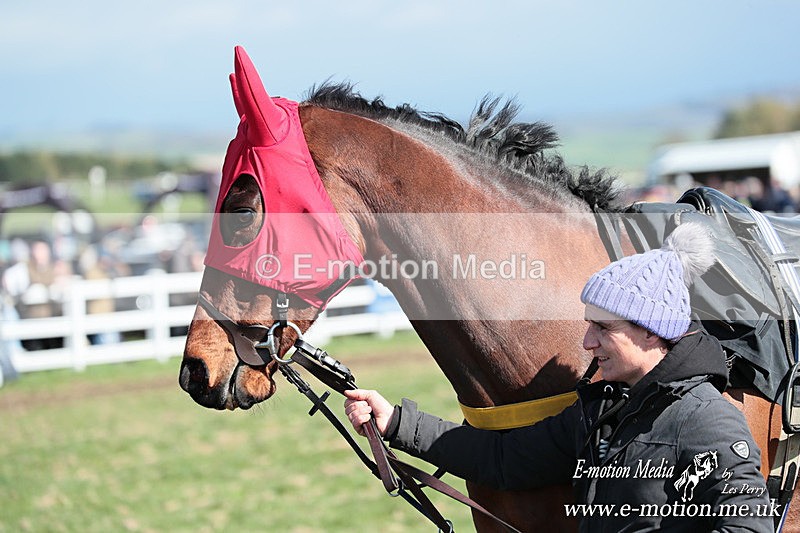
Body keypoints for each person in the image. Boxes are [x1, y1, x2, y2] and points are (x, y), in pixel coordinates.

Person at [344, 222, 772, 532]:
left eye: (604, 328)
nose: (587, 342)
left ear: (651, 331)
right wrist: (396, 423)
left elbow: (748, 528)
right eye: (589, 325)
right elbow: (502, 459)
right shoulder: (601, 408)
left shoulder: (708, 420)